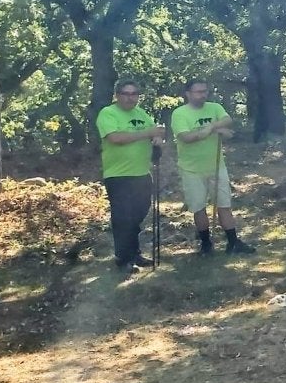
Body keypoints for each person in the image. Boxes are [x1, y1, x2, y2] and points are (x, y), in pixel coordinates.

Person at [171, 80, 255, 256]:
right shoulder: (180, 114)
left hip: (216, 165)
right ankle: (206, 244)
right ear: (188, 93)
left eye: (205, 91)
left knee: (224, 204)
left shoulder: (214, 107)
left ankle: (233, 242)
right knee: (198, 207)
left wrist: (211, 127)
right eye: (198, 92)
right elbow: (187, 137)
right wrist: (212, 131)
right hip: (191, 168)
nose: (203, 95)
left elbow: (227, 120)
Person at [96, 80, 166, 275]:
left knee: (138, 214)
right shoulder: (108, 113)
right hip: (118, 175)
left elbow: (155, 133)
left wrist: (158, 139)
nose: (130, 97)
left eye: (134, 94)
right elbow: (115, 138)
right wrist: (147, 133)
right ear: (117, 95)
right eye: (126, 93)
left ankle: (134, 252)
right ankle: (123, 257)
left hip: (142, 173)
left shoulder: (141, 114)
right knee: (123, 217)